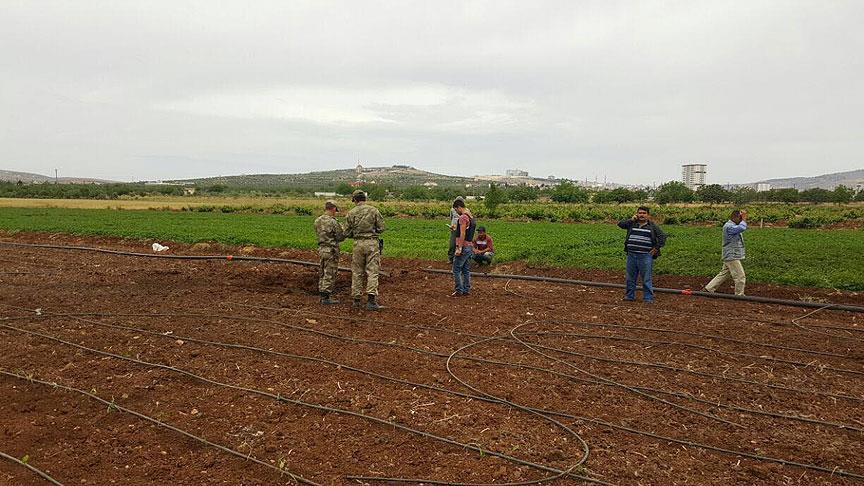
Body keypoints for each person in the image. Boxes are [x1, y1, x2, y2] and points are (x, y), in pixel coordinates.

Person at [344, 189, 386, 310]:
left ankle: (356, 300)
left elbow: (346, 231)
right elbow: (382, 228)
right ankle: (371, 301)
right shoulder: (374, 210)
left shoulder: (351, 213)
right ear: (364, 199)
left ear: (354, 200)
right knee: (372, 271)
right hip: (372, 243)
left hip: (358, 244)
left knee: (357, 271)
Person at [617, 206, 666, 303]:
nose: (641, 215)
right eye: (640, 213)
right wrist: (631, 219)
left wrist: (656, 248)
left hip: (645, 256)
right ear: (637, 214)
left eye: (644, 213)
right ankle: (629, 296)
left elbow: (662, 236)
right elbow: (620, 224)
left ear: (648, 215)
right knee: (630, 277)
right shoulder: (632, 223)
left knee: (646, 278)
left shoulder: (652, 226)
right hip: (631, 255)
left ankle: (648, 298)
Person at [704, 209, 748, 295]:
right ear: (736, 218)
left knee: (724, 273)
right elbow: (742, 227)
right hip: (731, 256)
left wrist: (742, 219)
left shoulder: (732, 225)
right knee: (740, 276)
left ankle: (708, 289)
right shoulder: (729, 226)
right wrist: (744, 218)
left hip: (730, 255)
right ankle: (739, 295)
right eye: (740, 219)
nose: (741, 221)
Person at [313, 200, 345, 305]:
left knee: (322, 271)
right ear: (334, 208)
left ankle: (321, 293)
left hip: (322, 249)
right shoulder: (333, 222)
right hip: (331, 249)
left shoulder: (317, 220)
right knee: (330, 272)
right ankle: (325, 297)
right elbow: (340, 237)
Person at [451, 198, 476, 296]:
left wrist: (459, 248)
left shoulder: (462, 218)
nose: (456, 213)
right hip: (469, 245)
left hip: (463, 246)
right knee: (466, 269)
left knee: (456, 269)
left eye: (456, 210)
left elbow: (462, 233)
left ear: (458, 207)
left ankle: (459, 290)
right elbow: (467, 230)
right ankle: (466, 289)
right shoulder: (470, 216)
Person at [447, 196, 465, 264]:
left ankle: (460, 259)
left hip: (461, 229)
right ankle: (450, 258)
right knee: (452, 244)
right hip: (454, 229)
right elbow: (451, 218)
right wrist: (452, 225)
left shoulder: (464, 210)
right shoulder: (452, 209)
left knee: (461, 244)